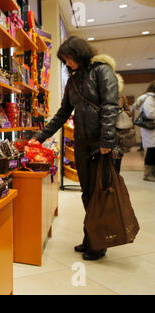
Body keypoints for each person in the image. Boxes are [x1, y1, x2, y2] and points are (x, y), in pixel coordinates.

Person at [32, 36, 119, 261]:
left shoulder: (101, 71)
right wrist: (40, 138)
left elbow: (110, 106)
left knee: (100, 193)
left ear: (79, 53)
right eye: (64, 60)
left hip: (101, 143)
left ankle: (98, 244)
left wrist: (106, 142)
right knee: (88, 193)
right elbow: (62, 114)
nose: (68, 63)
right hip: (82, 142)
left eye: (69, 58)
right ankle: (90, 237)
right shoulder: (73, 80)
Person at [132, 81, 155, 181]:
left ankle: (151, 173)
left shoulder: (148, 98)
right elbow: (150, 113)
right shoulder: (150, 99)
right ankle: (148, 174)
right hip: (150, 129)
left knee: (152, 151)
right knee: (151, 152)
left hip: (150, 129)